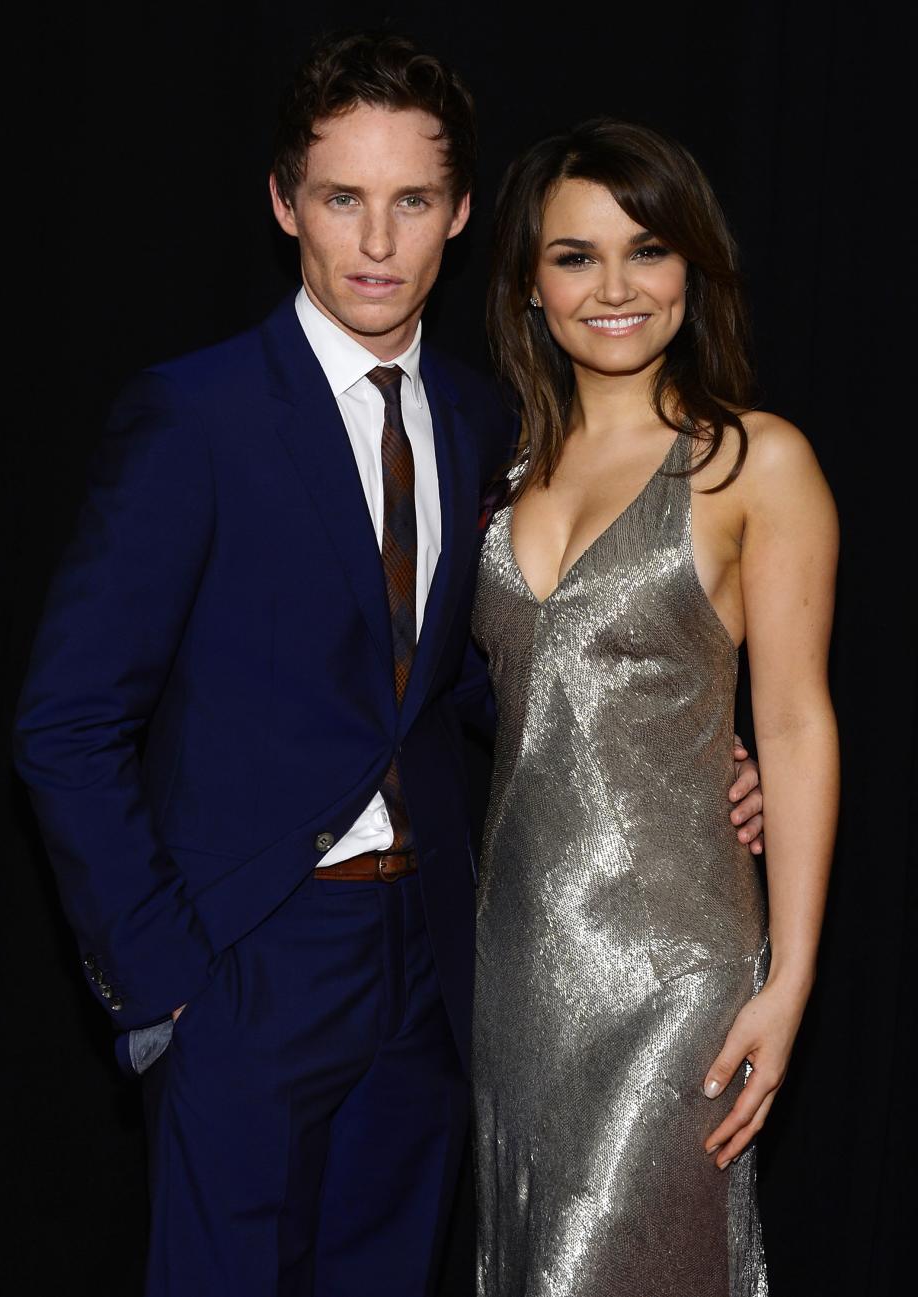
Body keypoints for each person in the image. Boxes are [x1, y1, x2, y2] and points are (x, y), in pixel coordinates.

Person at [12, 34, 766, 1296]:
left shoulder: (484, 421)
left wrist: (689, 749)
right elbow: (65, 722)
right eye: (341, 199)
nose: (376, 241)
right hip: (246, 964)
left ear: (461, 214)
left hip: (433, 966)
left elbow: (469, 676)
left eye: (411, 201)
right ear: (283, 205)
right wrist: (162, 980)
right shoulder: (193, 417)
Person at [471, 118, 838, 1296]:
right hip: (512, 969)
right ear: (531, 283)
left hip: (675, 967)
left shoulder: (753, 461)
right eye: (576, 256)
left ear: (695, 268)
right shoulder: (501, 467)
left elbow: (793, 723)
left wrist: (787, 985)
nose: (616, 287)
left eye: (649, 250)